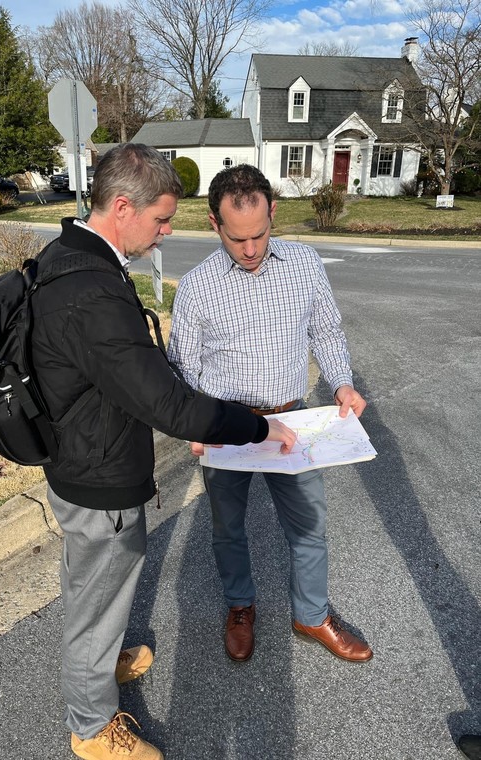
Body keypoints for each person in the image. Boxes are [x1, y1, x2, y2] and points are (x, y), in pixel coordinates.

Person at [29, 145, 296, 760]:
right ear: (123, 208)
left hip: (80, 454)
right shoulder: (92, 292)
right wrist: (256, 429)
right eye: (162, 218)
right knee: (97, 598)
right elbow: (167, 403)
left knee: (92, 588)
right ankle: (92, 727)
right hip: (98, 473)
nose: (169, 230)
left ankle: (98, 663)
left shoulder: (72, 254)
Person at [168, 164, 373, 666]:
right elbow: (183, 367)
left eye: (259, 234)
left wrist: (342, 382)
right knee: (228, 529)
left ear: (273, 212)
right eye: (237, 238)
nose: (250, 249)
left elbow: (325, 330)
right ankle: (240, 606)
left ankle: (311, 615)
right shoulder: (197, 286)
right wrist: (194, 424)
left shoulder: (305, 264)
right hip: (226, 425)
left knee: (309, 525)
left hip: (291, 421)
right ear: (214, 224)